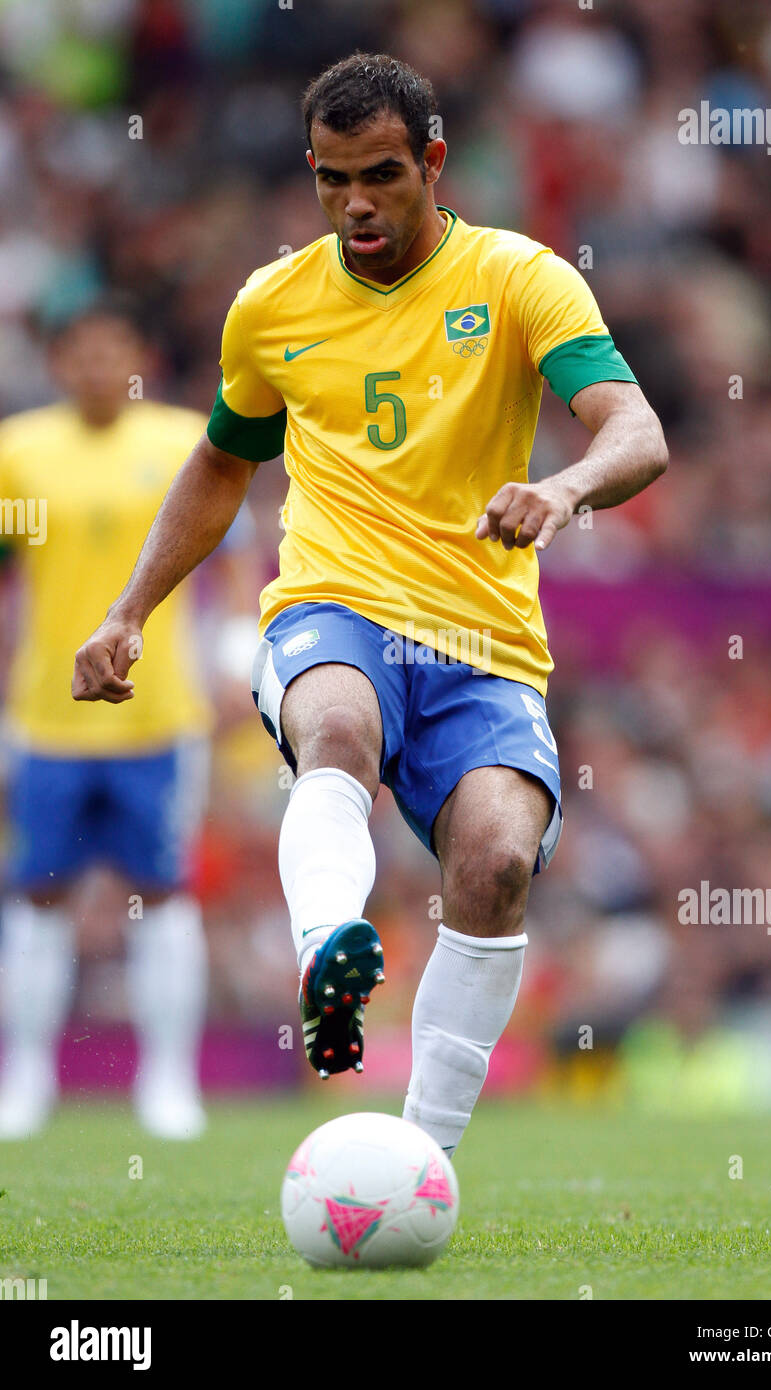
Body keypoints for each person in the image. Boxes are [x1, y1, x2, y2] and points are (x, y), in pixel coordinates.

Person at [72, 54, 667, 1157]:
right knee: (334, 729)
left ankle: (417, 1159)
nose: (356, 205)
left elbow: (636, 429)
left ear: (433, 162)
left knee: (492, 864)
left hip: (482, 636)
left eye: (382, 175)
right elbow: (220, 465)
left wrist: (565, 486)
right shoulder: (272, 305)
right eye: (331, 179)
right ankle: (327, 947)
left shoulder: (519, 278)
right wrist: (128, 612)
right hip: (331, 604)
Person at [0, 303, 212, 1140]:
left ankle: (168, 1083)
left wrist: (234, 653)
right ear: (59, 364)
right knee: (37, 894)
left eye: (110, 350)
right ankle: (25, 1079)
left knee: (163, 891)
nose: (96, 367)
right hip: (47, 715)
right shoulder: (19, 452)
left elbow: (223, 558)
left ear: (139, 357)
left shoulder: (181, 443)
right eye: (80, 352)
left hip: (158, 716)